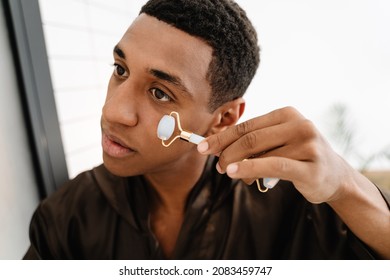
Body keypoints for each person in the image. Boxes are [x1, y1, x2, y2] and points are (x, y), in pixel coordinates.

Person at [23, 0, 389, 259]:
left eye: (160, 93)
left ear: (224, 118)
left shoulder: (300, 207)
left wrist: (346, 186)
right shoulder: (64, 218)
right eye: (120, 69)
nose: (113, 111)